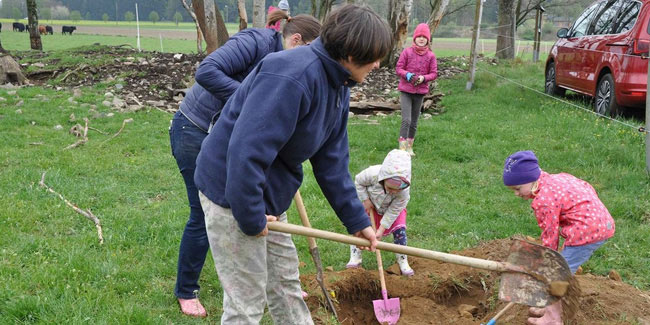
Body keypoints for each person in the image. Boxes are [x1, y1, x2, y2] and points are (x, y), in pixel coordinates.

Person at [193, 5, 392, 324]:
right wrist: (251, 217)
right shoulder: (291, 75)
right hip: (233, 194)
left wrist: (356, 219)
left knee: (286, 286)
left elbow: (332, 162)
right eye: (374, 57)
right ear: (352, 53)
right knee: (247, 299)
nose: (378, 64)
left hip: (269, 194)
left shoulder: (339, 85)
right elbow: (246, 152)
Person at [169, 11, 321, 318]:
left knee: (260, 205)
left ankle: (277, 281)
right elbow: (207, 70)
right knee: (206, 212)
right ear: (295, 40)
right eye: (312, 52)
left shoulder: (293, 69)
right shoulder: (256, 42)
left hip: (232, 134)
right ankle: (187, 290)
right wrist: (254, 101)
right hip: (195, 130)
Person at [502, 150, 615, 325]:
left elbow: (550, 236)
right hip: (601, 222)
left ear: (530, 178)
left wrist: (548, 263)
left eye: (517, 188)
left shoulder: (543, 201)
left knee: (555, 276)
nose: (516, 193)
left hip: (587, 233)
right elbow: (586, 187)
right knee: (558, 271)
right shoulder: (558, 178)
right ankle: (547, 306)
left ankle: (553, 319)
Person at [346, 149, 414, 276]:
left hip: (391, 210)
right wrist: (365, 200)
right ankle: (355, 257)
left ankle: (402, 260)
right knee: (358, 227)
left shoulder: (404, 192)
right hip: (370, 206)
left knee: (400, 232)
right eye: (389, 188)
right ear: (383, 179)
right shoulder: (372, 174)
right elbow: (358, 182)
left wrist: (381, 229)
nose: (392, 192)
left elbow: (394, 210)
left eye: (396, 190)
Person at [395, 23, 438, 156]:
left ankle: (409, 146)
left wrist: (423, 78)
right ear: (414, 38)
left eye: (424, 37)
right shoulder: (407, 52)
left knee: (414, 121)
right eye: (418, 36)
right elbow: (399, 68)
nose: (421, 39)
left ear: (428, 39)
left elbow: (434, 73)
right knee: (406, 120)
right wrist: (408, 75)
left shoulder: (431, 56)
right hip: (406, 92)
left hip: (420, 93)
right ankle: (402, 149)